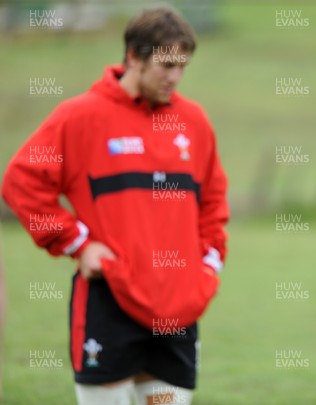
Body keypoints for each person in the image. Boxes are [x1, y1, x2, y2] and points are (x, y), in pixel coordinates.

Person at [2, 7, 229, 405]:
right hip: (109, 299)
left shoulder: (193, 122)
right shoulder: (80, 117)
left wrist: (209, 266)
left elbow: (212, 203)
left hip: (178, 307)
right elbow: (20, 183)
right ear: (134, 57)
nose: (175, 77)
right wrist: (77, 243)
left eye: (183, 66)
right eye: (167, 65)